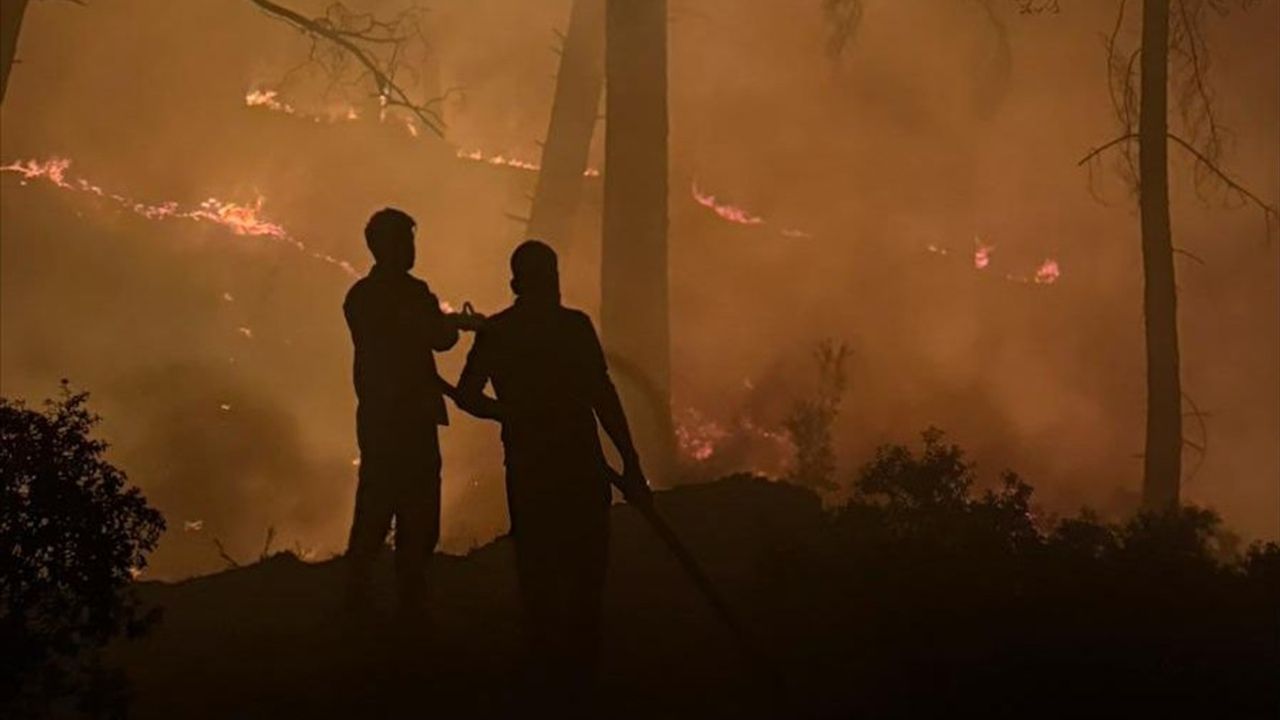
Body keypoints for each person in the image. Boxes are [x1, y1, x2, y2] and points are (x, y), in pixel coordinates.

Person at [453, 240, 648, 703]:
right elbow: (603, 397)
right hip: (580, 466)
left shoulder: (499, 332)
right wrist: (630, 462)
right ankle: (576, 680)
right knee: (584, 577)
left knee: (540, 575)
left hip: (533, 468)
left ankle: (549, 678)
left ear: (514, 283)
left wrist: (508, 413)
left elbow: (466, 395)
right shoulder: (572, 327)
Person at [343, 207, 459, 616]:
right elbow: (439, 338)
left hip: (377, 418)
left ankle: (358, 596)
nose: (412, 249)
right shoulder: (414, 294)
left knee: (374, 507)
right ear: (388, 246)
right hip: (412, 418)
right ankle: (410, 600)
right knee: (418, 510)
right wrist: (455, 326)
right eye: (406, 241)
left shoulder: (358, 297)